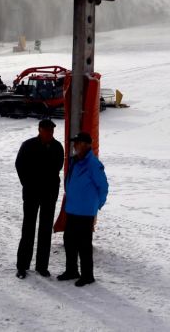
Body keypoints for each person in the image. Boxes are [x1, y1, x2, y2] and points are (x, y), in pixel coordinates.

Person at [14, 119, 65, 279]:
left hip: (49, 194)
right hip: (31, 193)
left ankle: (42, 266)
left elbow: (58, 166)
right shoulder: (28, 145)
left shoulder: (57, 147)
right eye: (47, 130)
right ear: (40, 130)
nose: (50, 133)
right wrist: (28, 184)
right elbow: (19, 165)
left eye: (52, 131)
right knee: (28, 228)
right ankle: (22, 266)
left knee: (45, 229)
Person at [58, 131, 109, 287]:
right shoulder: (75, 161)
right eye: (75, 142)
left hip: (85, 212)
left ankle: (88, 276)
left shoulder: (93, 164)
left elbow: (103, 187)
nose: (75, 145)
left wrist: (96, 205)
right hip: (72, 209)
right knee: (69, 241)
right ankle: (72, 270)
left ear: (86, 145)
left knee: (84, 245)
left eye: (78, 142)